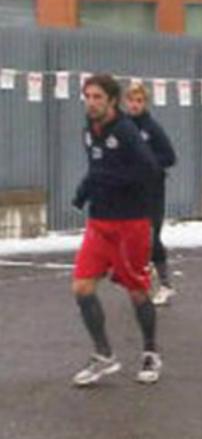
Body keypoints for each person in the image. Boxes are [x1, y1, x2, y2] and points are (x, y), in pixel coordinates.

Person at [71, 74, 164, 387]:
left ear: (111, 101)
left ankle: (150, 352)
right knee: (82, 288)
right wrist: (83, 192)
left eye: (98, 97)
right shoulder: (88, 131)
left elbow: (149, 170)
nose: (91, 102)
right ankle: (104, 355)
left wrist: (112, 182)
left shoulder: (126, 131)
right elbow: (97, 169)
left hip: (130, 223)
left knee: (137, 291)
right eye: (88, 96)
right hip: (99, 223)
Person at [123, 82, 178, 305]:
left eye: (139, 101)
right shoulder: (122, 126)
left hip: (152, 191)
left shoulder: (151, 128)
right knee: (131, 237)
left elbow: (170, 157)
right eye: (131, 101)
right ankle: (143, 273)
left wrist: (149, 164)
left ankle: (166, 285)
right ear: (125, 102)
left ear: (145, 103)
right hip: (130, 191)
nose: (135, 105)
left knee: (152, 236)